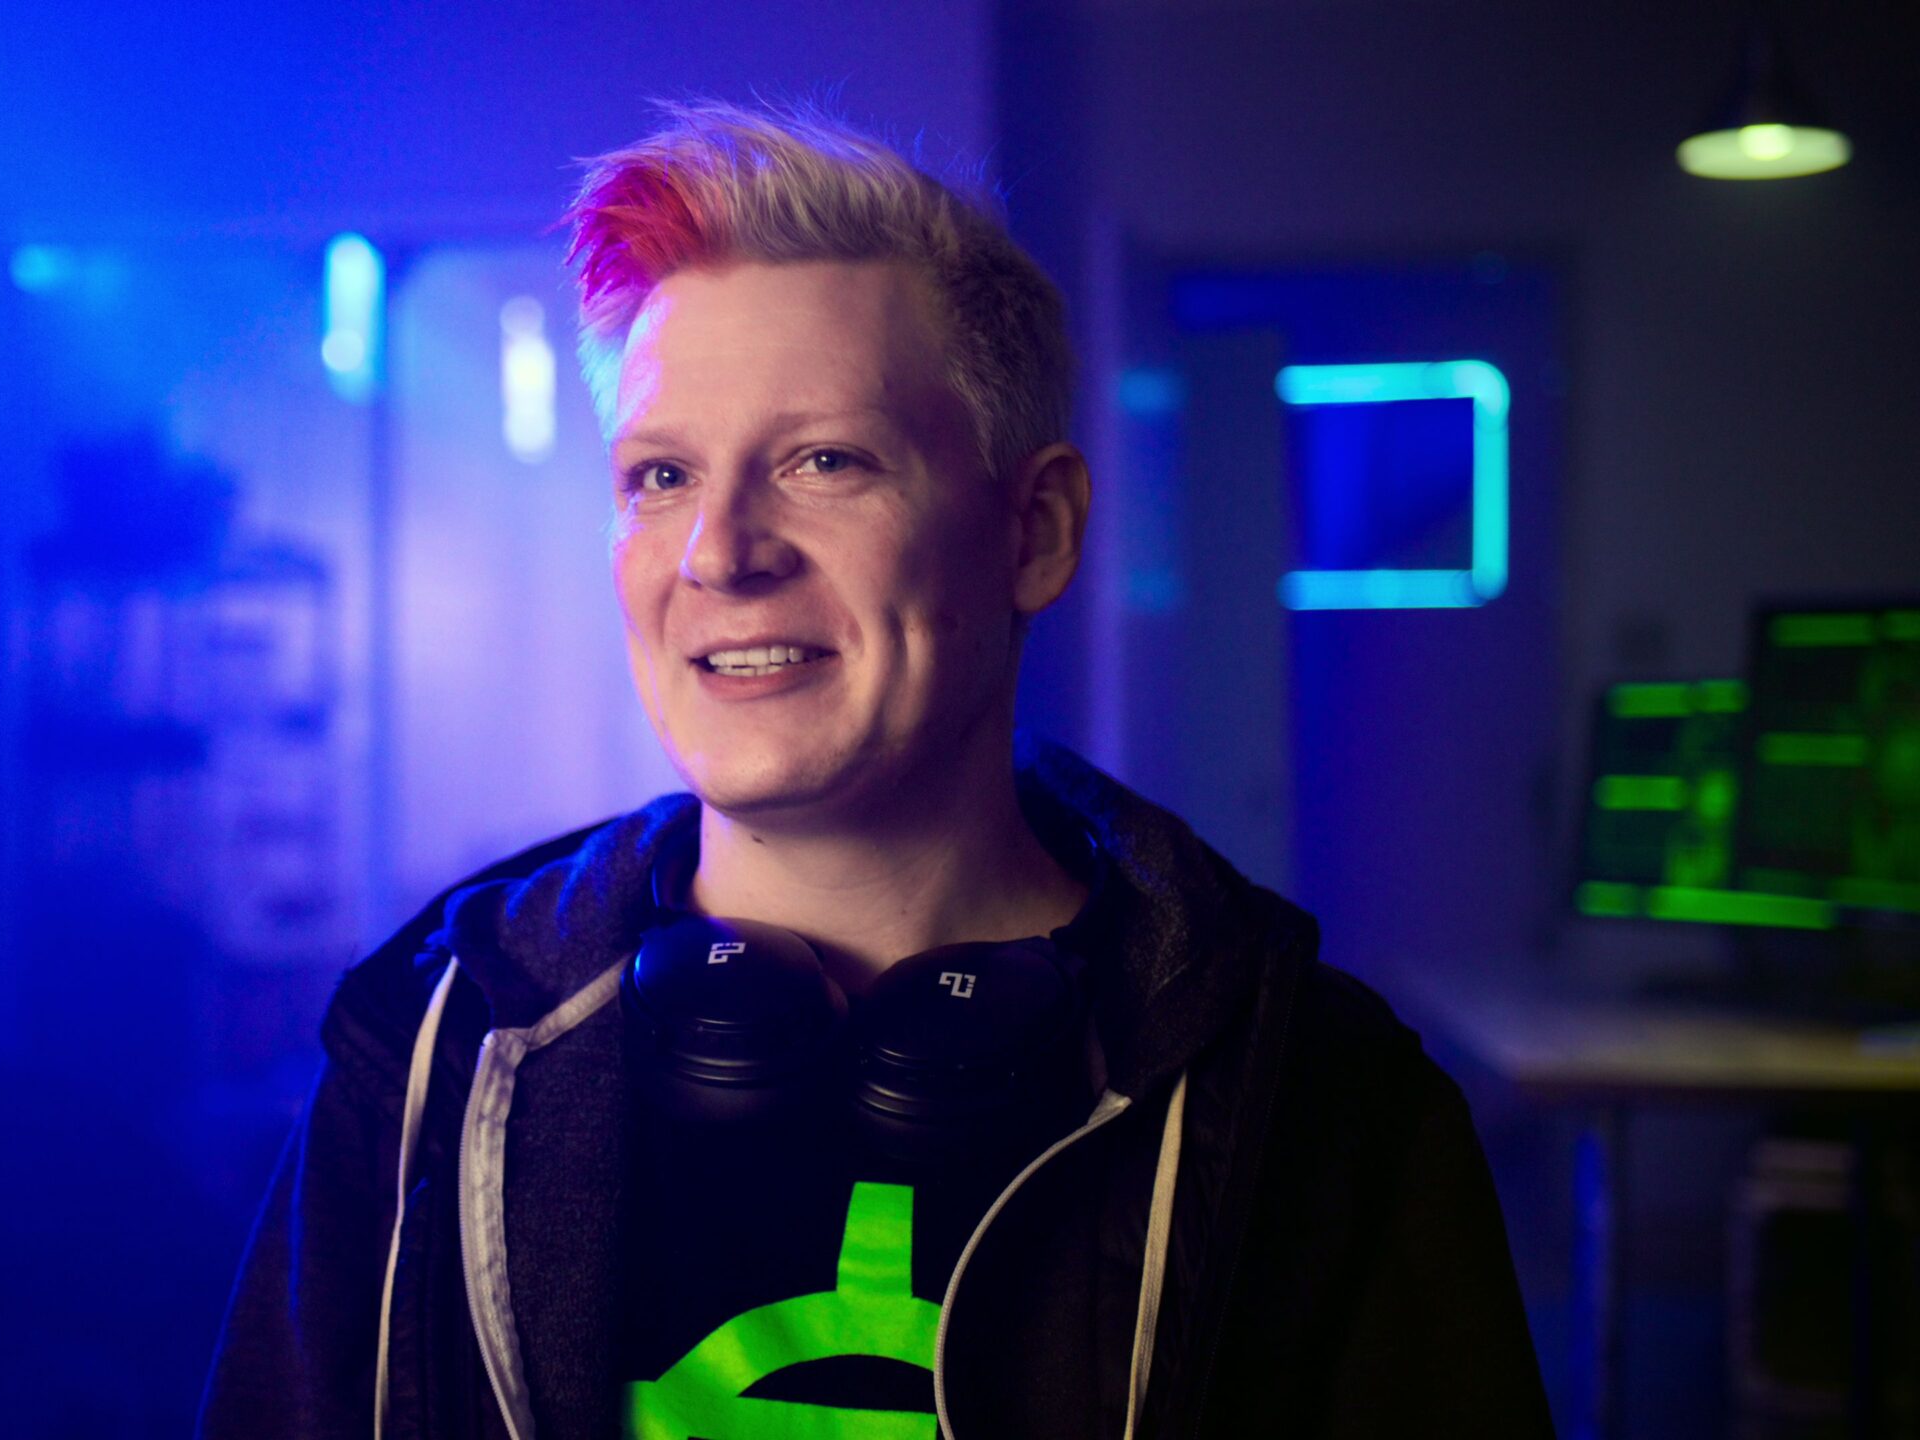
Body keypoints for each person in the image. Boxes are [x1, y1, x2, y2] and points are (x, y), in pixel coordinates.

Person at [201, 100, 1553, 1439]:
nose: (719, 554)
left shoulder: (1321, 1109)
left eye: (823, 461)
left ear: (1034, 532)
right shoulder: (430, 1057)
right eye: (662, 477)